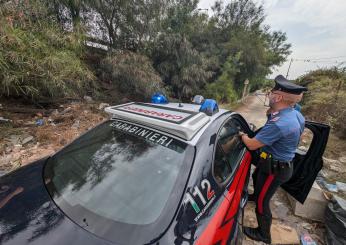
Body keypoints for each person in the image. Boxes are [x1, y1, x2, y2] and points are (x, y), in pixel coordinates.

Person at [238, 75, 308, 244]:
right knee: (257, 180)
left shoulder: (280, 123)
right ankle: (256, 195)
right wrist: (271, 113)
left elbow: (253, 144)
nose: (269, 94)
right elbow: (279, 124)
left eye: (272, 92)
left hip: (275, 169)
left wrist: (242, 136)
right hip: (275, 163)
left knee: (262, 202)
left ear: (279, 97)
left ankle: (263, 234)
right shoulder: (295, 114)